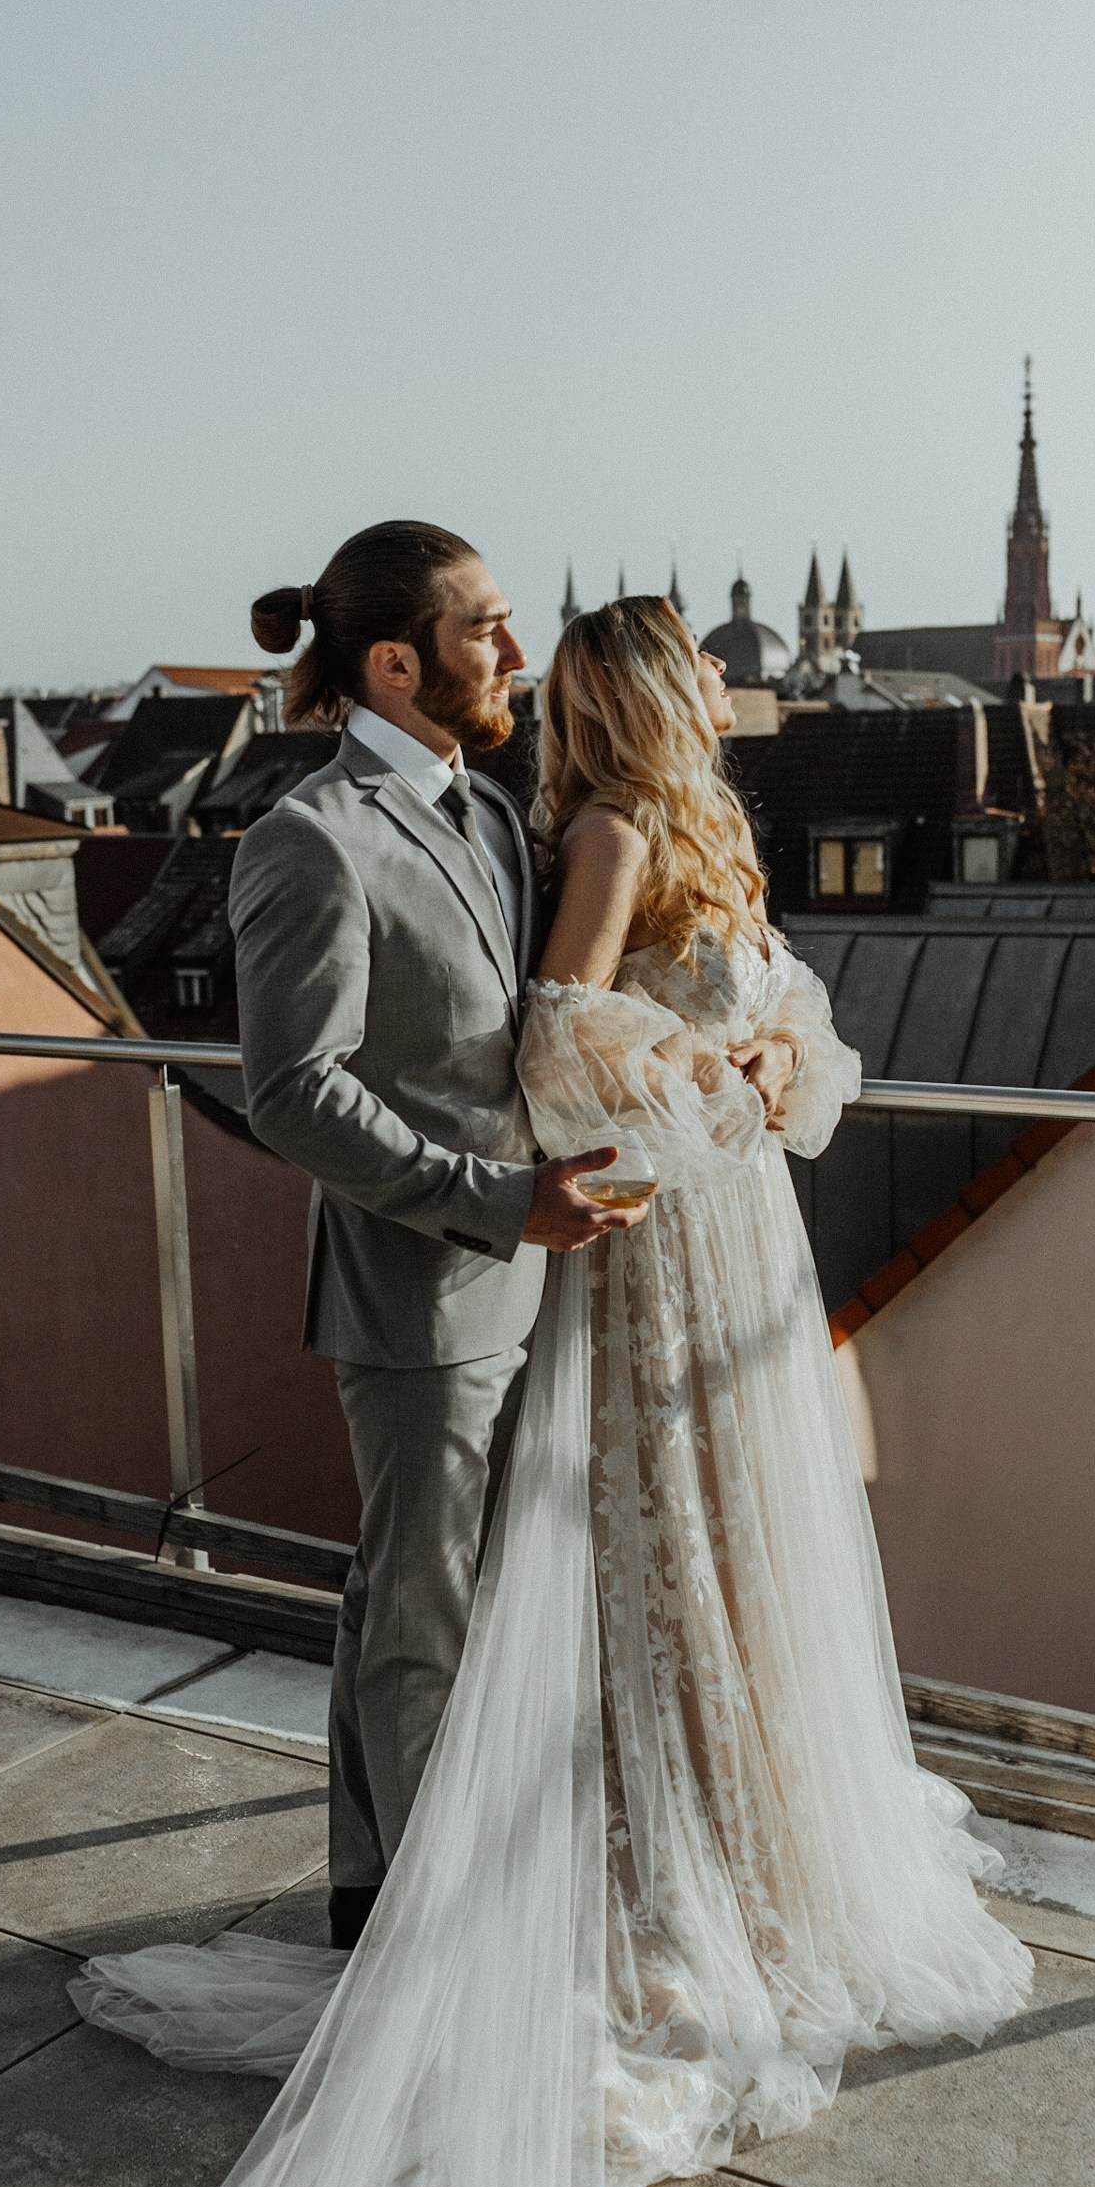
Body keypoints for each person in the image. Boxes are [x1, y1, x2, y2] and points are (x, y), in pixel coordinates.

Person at [0, 587, 1031, 2187]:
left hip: (730, 1237)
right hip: (612, 1242)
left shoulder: (642, 828)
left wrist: (767, 1062)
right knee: (496, 1586)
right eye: (700, 659)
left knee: (701, 1558)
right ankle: (441, 1927)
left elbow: (792, 1027)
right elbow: (549, 1043)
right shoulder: (568, 834)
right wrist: (699, 1081)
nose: (726, 677)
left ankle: (660, 1857)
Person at [230, 521, 651, 1951]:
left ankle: (371, 1894)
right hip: (415, 1295)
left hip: (519, 1279)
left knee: (398, 1596)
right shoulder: (311, 840)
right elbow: (293, 1092)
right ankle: (435, 1959)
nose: (518, 653)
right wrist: (496, 1202)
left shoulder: (492, 816)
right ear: (395, 664)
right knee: (427, 1627)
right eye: (486, 629)